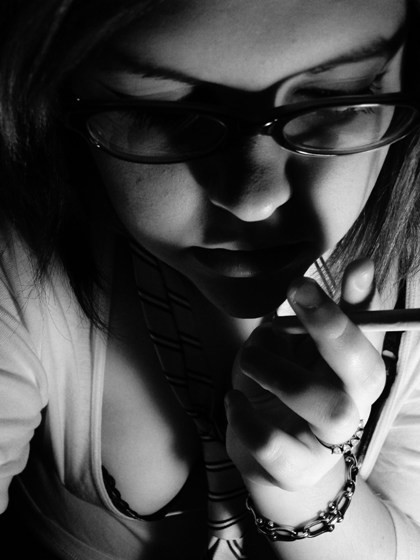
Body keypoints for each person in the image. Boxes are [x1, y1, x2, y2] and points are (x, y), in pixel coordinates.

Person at [0, 0, 419, 558]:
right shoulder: (20, 263)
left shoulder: (412, 267)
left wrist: (307, 490)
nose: (254, 201)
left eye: (335, 98)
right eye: (163, 113)